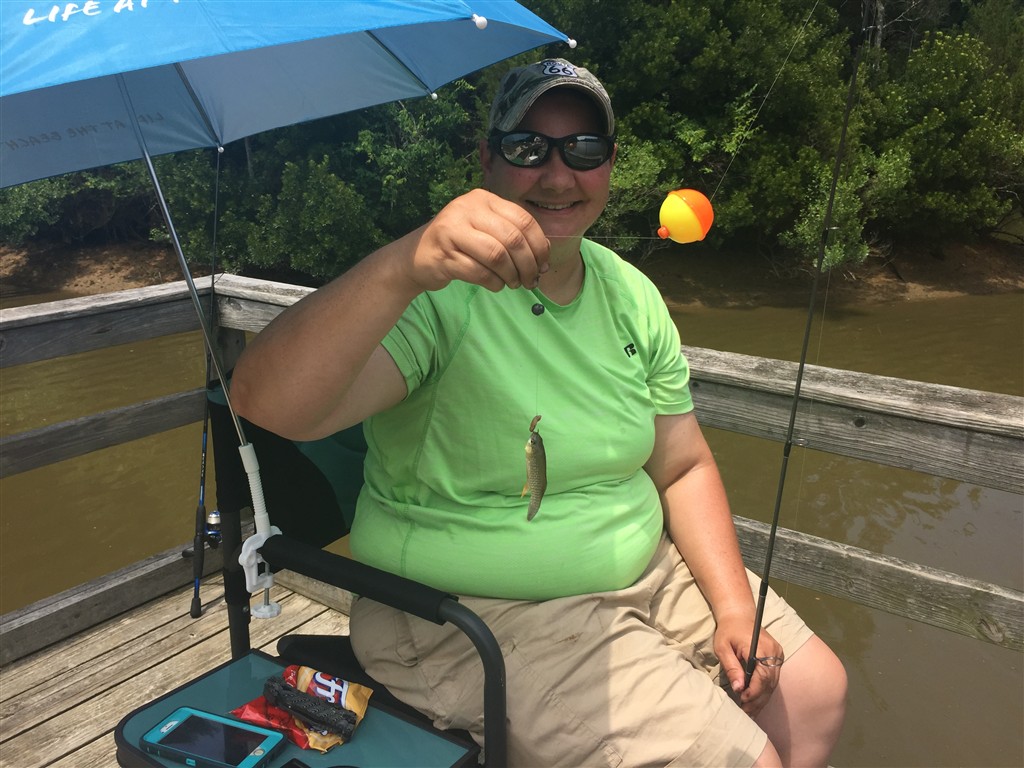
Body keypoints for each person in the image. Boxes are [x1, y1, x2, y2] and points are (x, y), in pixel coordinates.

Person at [231, 58, 847, 767]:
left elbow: (682, 466)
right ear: (488, 158)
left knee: (817, 692)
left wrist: (734, 606)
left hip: (648, 572)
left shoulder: (634, 295)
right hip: (470, 614)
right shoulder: (435, 294)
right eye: (529, 147)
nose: (558, 175)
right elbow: (267, 404)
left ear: (609, 164)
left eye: (583, 149)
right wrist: (403, 264)